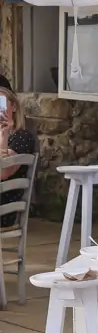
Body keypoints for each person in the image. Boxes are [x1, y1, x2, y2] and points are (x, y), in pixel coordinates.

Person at [0, 87, 36, 228]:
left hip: (4, 210)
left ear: (13, 106)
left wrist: (3, 138)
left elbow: (3, 173)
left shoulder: (22, 137)